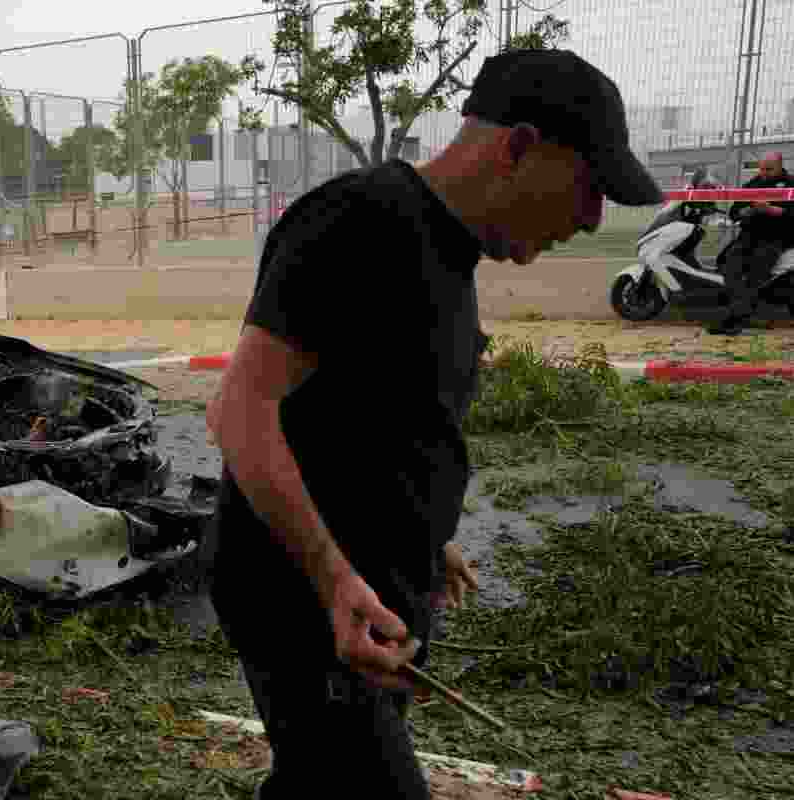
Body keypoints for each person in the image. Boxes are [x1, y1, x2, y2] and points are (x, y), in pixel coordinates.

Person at [204, 49, 663, 799]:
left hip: (363, 606)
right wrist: (333, 578)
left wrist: (421, 531)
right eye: (588, 188)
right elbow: (239, 412)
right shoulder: (360, 220)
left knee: (315, 783)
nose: (589, 220)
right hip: (303, 606)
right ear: (518, 148)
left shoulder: (446, 253)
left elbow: (362, 420)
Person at [709, 151, 794, 335]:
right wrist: (745, 211)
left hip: (775, 238)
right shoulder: (753, 184)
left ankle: (734, 319)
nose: (763, 173)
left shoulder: (790, 184)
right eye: (761, 168)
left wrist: (770, 209)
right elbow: (734, 211)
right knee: (728, 265)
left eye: (769, 169)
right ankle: (741, 314)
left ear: (780, 166)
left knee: (757, 272)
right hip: (748, 237)